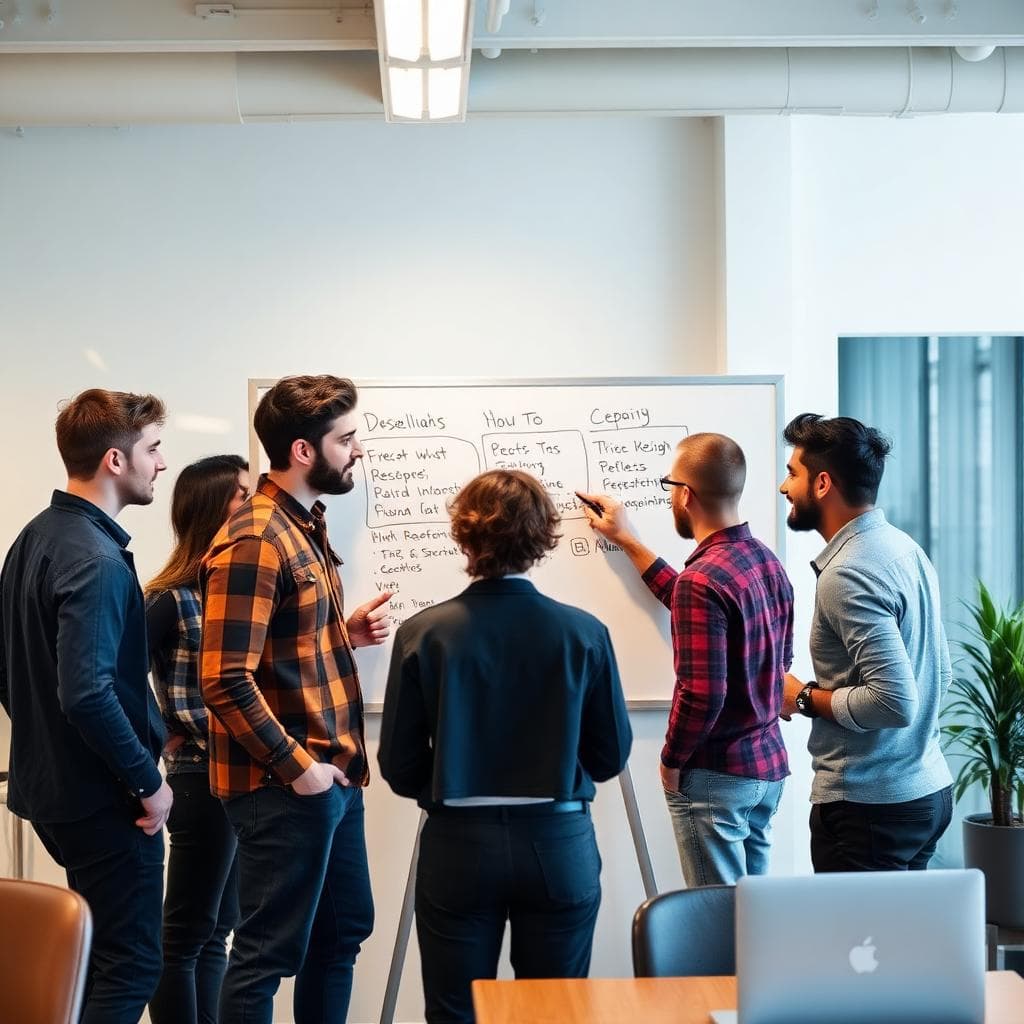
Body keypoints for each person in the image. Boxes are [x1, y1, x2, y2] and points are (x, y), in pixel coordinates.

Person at [379, 469, 632, 1024]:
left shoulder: (422, 633)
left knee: (454, 1013)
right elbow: (610, 756)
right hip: (558, 840)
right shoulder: (584, 633)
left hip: (458, 844)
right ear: (543, 536)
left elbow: (399, 766)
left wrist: (449, 782)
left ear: (463, 536)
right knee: (554, 1014)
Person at [200, 375, 392, 1024]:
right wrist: (300, 770)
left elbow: (281, 644)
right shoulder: (256, 537)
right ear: (304, 451)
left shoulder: (301, 523)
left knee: (340, 936)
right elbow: (224, 677)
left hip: (332, 777)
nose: (358, 450)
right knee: (265, 956)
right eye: (347, 438)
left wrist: (347, 634)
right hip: (286, 786)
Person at [0, 388, 170, 1024]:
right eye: (152, 449)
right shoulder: (95, 557)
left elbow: (9, 670)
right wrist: (147, 781)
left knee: (102, 961)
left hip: (58, 794)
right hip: (106, 801)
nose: (161, 462)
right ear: (115, 461)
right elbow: (88, 693)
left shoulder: (35, 538)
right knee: (131, 966)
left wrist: (52, 741)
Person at [578, 432, 793, 887]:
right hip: (767, 769)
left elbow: (702, 694)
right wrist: (629, 541)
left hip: (716, 777)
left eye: (670, 486)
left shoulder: (703, 580)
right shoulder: (765, 561)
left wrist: (671, 760)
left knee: (716, 924)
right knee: (753, 921)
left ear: (685, 494)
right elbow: (779, 658)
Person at [779, 413, 954, 872]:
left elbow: (895, 702)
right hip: (924, 792)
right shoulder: (903, 548)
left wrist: (802, 697)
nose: (783, 487)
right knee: (900, 943)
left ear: (822, 484)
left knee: (850, 945)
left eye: (792, 473)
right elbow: (941, 669)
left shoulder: (847, 573)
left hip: (871, 810)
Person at [147, 455, 250, 1024]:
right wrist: (158, 730)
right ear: (212, 507)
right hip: (198, 778)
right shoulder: (170, 594)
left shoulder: (234, 588)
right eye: (239, 495)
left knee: (218, 932)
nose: (251, 504)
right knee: (184, 936)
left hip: (241, 780)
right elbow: (108, 675)